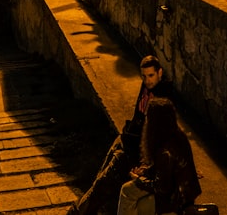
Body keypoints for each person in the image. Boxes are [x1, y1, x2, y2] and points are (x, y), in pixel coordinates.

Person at [67, 56, 174, 215]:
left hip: (132, 152)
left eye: (151, 75)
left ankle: (76, 213)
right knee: (100, 178)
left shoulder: (162, 100)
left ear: (160, 72)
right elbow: (138, 117)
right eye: (144, 76)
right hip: (126, 139)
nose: (147, 80)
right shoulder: (147, 87)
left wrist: (144, 165)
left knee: (103, 184)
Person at [116, 98, 201, 215]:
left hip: (174, 200)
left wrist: (138, 180)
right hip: (181, 195)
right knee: (128, 190)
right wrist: (145, 172)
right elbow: (165, 172)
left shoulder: (165, 152)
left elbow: (162, 187)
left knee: (129, 194)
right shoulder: (178, 137)